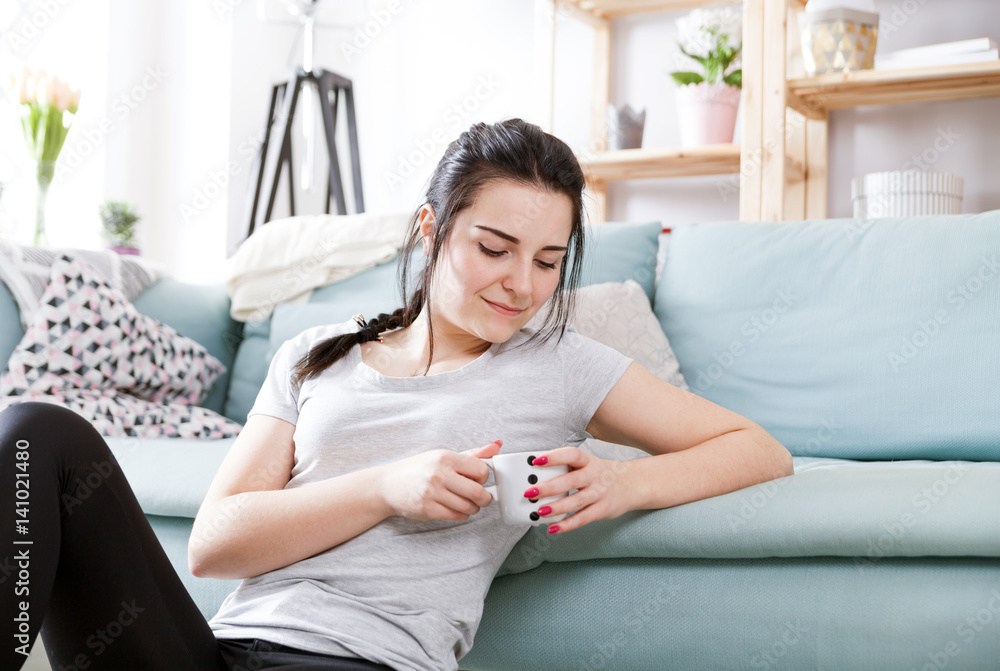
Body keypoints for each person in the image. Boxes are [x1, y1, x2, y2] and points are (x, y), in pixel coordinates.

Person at [0, 118, 793, 671]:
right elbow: (214, 543)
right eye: (494, 247)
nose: (522, 284)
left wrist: (626, 480)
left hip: (363, 659)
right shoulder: (316, 354)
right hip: (214, 648)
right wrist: (385, 485)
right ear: (431, 228)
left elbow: (758, 448)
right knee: (36, 431)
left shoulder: (561, 363)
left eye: (549, 260)